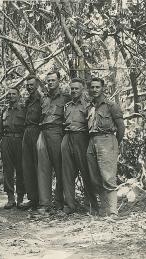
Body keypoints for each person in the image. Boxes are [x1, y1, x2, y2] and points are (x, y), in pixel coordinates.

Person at [86, 77, 125, 217]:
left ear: (103, 88)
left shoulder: (110, 105)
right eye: (92, 87)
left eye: (97, 87)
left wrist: (114, 143)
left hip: (107, 139)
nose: (95, 90)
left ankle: (113, 211)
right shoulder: (90, 106)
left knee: (108, 177)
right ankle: (104, 209)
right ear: (89, 89)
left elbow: (121, 126)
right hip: (92, 141)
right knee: (95, 177)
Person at [61, 78, 98, 214]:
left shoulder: (88, 106)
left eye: (77, 88)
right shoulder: (67, 106)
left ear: (82, 90)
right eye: (72, 89)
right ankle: (69, 205)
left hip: (82, 138)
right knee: (67, 173)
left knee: (86, 171)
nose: (74, 91)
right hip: (67, 137)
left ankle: (92, 205)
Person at [37, 70, 71, 215]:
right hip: (43, 132)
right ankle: (45, 203)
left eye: (53, 80)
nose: (50, 83)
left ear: (59, 81)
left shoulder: (66, 98)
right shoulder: (43, 99)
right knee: (43, 169)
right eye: (48, 80)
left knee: (59, 168)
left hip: (57, 132)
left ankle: (59, 202)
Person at [1, 88, 26, 209]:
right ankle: (11, 198)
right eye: (9, 94)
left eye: (13, 94)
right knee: (8, 170)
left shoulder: (23, 110)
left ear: (18, 96)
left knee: (21, 168)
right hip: (6, 140)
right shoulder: (4, 111)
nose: (11, 96)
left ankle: (20, 198)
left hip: (20, 140)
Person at [20, 75, 42, 210]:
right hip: (27, 132)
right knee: (27, 166)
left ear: (37, 85)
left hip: (37, 131)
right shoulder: (27, 101)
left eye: (31, 85)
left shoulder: (42, 99)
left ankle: (42, 199)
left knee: (38, 165)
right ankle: (32, 198)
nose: (29, 87)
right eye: (27, 85)